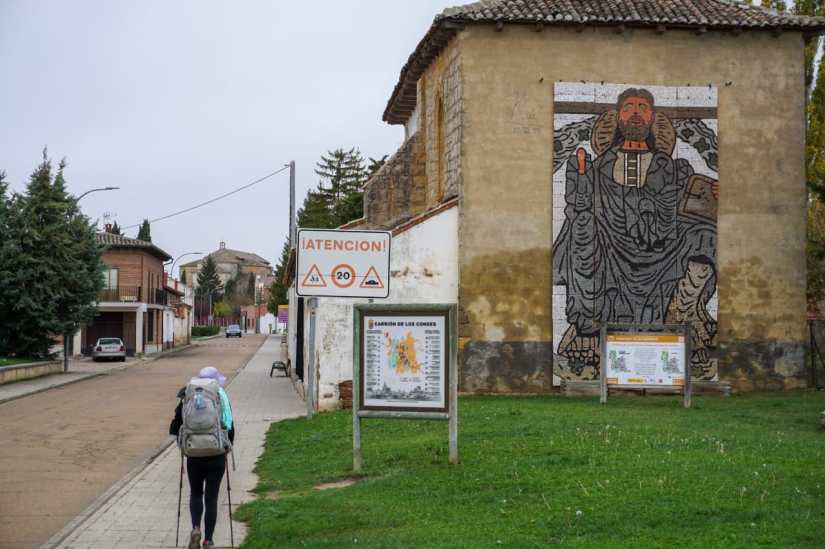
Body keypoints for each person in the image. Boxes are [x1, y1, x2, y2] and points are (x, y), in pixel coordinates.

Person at [170, 366, 235, 549]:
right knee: (211, 497)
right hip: (216, 453)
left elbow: (175, 426)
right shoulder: (220, 396)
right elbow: (229, 426)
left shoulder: (187, 395)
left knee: (196, 493)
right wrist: (227, 447)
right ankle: (209, 541)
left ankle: (196, 528)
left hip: (193, 454)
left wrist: (182, 448)